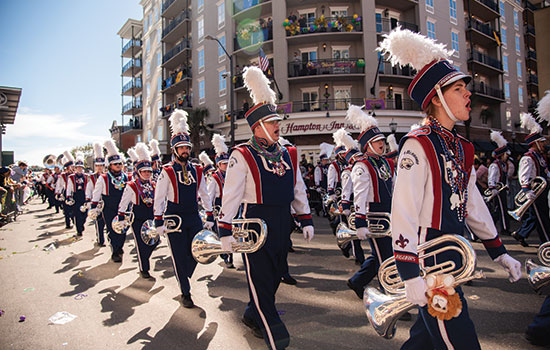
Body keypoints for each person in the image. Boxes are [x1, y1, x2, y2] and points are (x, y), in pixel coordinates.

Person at [379, 27, 521, 349]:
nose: (468, 94)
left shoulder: (462, 147)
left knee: (425, 342)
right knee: (460, 342)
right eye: (459, 89)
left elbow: (471, 203)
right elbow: (403, 210)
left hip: (454, 256)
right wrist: (408, 271)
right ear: (438, 98)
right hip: (430, 262)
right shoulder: (418, 145)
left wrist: (499, 252)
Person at [217, 66, 314, 349]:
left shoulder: (287, 153)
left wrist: (305, 217)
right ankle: (276, 337)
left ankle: (251, 314)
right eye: (272, 121)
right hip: (253, 225)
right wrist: (224, 228)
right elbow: (231, 194)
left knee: (274, 276)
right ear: (257, 126)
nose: (277, 125)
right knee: (260, 281)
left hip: (282, 221)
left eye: (277, 121)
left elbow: (298, 187)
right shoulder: (242, 154)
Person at [153, 109, 213, 308]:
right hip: (173, 216)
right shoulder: (167, 171)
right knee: (179, 255)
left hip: (193, 215)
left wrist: (210, 214)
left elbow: (204, 192)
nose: (185, 151)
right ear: (174, 150)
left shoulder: (197, 168)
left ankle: (183, 276)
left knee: (196, 251)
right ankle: (185, 292)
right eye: (181, 148)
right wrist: (158, 220)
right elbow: (159, 197)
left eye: (187, 147)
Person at [344, 107, 394, 299]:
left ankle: (357, 281)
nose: (382, 143)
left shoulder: (386, 163)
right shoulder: (362, 165)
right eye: (377, 141)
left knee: (381, 255)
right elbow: (360, 195)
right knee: (386, 259)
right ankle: (388, 295)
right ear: (367, 144)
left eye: (382, 140)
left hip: (389, 213)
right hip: (374, 215)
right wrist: (361, 222)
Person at [117, 142, 158, 279]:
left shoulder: (154, 184)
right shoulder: (132, 186)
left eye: (149, 171)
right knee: (141, 245)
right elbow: (124, 202)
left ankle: (145, 259)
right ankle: (144, 268)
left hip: (151, 218)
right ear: (138, 172)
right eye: (144, 171)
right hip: (138, 218)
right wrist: (121, 216)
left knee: (155, 241)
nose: (147, 174)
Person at [511, 112, 550, 246]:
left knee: (539, 216)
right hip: (535, 192)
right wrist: (527, 190)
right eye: (541, 142)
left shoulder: (540, 156)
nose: (544, 144)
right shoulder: (528, 157)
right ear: (536, 143)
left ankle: (521, 234)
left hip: (541, 191)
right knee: (542, 218)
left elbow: (545, 171)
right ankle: (547, 242)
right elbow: (524, 175)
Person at [89, 140, 129, 262]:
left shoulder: (126, 176)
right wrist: (94, 206)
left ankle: (119, 246)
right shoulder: (104, 177)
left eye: (120, 163)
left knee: (122, 231)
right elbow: (96, 193)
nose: (118, 165)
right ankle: (115, 251)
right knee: (112, 230)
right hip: (109, 208)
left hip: (123, 207)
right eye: (115, 163)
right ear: (110, 165)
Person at [332, 128, 365, 263]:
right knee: (352, 231)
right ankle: (358, 256)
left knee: (356, 230)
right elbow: (346, 190)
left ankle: (351, 249)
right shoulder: (346, 170)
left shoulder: (354, 167)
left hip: (357, 202)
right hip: (349, 203)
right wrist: (345, 204)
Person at [208, 134, 233, 268]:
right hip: (219, 206)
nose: (226, 165)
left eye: (228, 163)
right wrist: (210, 213)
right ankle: (226, 256)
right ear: (218, 164)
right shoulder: (214, 178)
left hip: (230, 205)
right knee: (223, 232)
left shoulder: (232, 175)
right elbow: (209, 195)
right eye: (223, 163)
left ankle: (230, 255)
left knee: (232, 230)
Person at [487, 131, 511, 235]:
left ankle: (488, 225)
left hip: (502, 189)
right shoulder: (495, 165)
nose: (507, 156)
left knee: (499, 210)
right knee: (501, 210)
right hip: (497, 190)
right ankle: (504, 228)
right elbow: (491, 178)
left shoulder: (503, 165)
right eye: (506, 154)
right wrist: (493, 188)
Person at [86, 142, 106, 246]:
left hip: (106, 202)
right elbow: (89, 189)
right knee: (99, 222)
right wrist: (89, 200)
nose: (99, 168)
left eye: (101, 166)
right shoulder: (92, 177)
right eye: (97, 166)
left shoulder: (108, 176)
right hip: (97, 202)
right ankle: (100, 240)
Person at [66, 152, 88, 237]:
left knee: (84, 214)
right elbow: (69, 187)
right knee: (77, 214)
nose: (79, 169)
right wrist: (68, 196)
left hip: (84, 196)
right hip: (76, 196)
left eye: (81, 167)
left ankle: (81, 224)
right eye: (78, 167)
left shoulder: (86, 176)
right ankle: (79, 230)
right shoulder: (71, 177)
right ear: (75, 168)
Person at [55, 152, 75, 229]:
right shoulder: (62, 176)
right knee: (66, 210)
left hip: (74, 193)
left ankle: (74, 221)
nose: (72, 168)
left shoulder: (75, 175)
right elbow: (59, 185)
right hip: (65, 192)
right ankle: (67, 223)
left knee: (74, 210)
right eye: (71, 167)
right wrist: (58, 193)